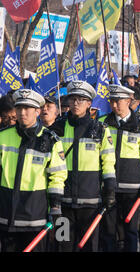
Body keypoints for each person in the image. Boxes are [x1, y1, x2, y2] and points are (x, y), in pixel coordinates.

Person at [50, 81, 116, 252]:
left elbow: (108, 162)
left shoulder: (100, 129)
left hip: (90, 202)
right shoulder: (57, 128)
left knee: (88, 246)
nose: (76, 103)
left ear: (89, 104)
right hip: (63, 202)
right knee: (62, 245)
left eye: (81, 99)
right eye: (73, 99)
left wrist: (109, 190)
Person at [0, 89, 67, 252]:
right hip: (6, 216)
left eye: (27, 109)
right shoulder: (3, 136)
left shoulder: (51, 140)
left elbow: (57, 177)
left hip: (35, 219)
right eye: (19, 108)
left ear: (37, 111)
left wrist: (56, 208)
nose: (22, 113)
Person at [99, 84, 140, 252]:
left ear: (129, 101)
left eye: (118, 101)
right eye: (112, 101)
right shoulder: (102, 123)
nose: (114, 105)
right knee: (109, 230)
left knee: (130, 229)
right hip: (108, 185)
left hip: (132, 185)